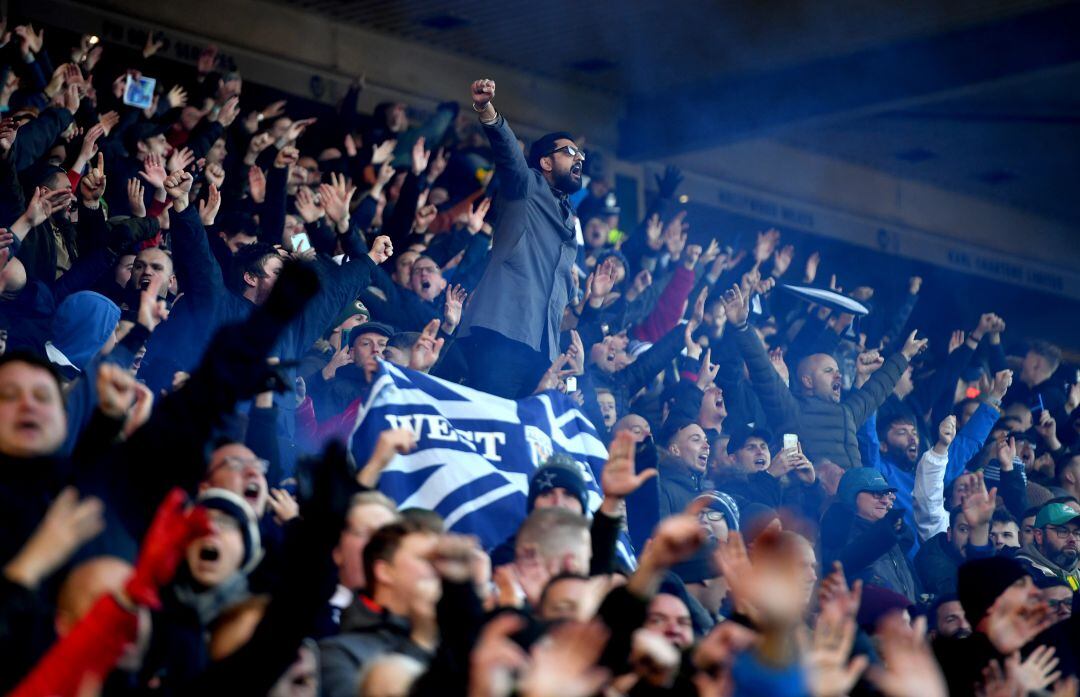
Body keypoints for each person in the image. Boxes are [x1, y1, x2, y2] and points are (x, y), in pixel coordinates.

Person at [456, 79, 583, 398]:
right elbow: (510, 154)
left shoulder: (568, 216)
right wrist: (487, 110)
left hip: (541, 350)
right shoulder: (527, 187)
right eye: (569, 152)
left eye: (580, 154)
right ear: (545, 162)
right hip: (503, 331)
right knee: (493, 423)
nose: (578, 158)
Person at [319, 519, 442, 697]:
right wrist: (421, 642)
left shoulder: (456, 641)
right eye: (426, 559)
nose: (439, 570)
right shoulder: (337, 654)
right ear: (384, 572)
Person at [1015, 502, 1080, 590]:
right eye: (1062, 531)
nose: (1072, 539)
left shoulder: (1076, 575)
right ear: (1039, 536)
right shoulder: (1022, 573)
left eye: (1077, 533)